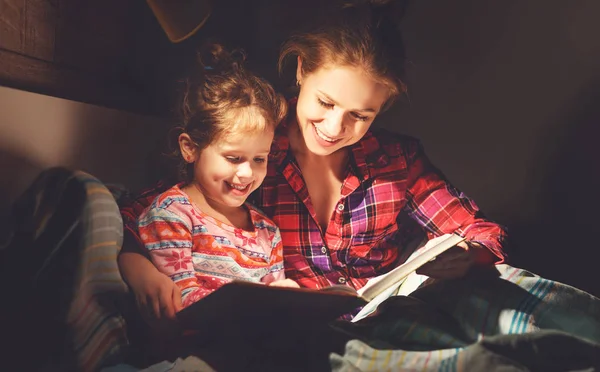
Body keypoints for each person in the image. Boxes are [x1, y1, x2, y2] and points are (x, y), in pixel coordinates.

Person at [118, 1, 600, 371]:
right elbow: (151, 207)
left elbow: (481, 229)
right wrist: (138, 264)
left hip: (390, 302)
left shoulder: (397, 160)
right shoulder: (255, 144)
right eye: (325, 102)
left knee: (503, 285)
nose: (334, 126)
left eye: (360, 115)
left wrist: (469, 255)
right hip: (318, 324)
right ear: (302, 71)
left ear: (382, 108)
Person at [135, 43, 298, 314]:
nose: (247, 173)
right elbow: (180, 302)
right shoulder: (172, 215)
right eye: (234, 158)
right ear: (190, 149)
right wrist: (258, 308)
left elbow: (276, 306)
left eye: (259, 159)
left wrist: (287, 297)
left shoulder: (267, 231)